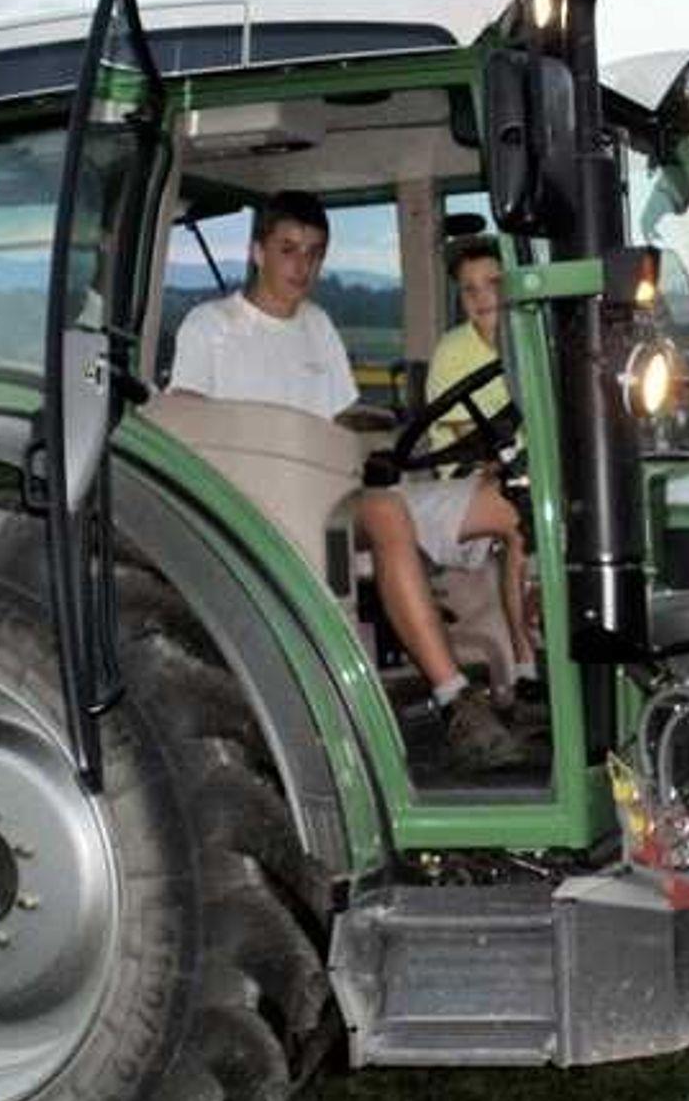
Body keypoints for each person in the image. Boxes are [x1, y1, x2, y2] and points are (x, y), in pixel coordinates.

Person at [167, 191, 529, 771]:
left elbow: (341, 421)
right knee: (386, 510)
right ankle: (455, 698)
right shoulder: (211, 327)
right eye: (288, 249)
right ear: (258, 251)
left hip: (338, 488)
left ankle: (527, 678)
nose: (301, 266)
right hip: (262, 504)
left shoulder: (318, 326)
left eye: (313, 253)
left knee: (513, 503)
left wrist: (393, 435)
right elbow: (185, 421)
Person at [408, 236, 542, 711]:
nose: (483, 297)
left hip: (526, 475)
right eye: (470, 290)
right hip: (466, 480)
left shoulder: (534, 344)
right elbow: (464, 436)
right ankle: (527, 666)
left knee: (539, 500)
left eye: (493, 283)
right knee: (520, 511)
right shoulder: (453, 352)